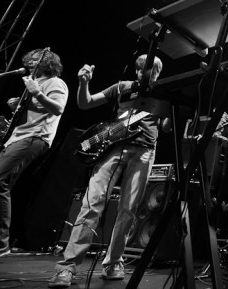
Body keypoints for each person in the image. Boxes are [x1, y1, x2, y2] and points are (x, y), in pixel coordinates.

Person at [49, 54, 171, 287]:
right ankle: (67, 266)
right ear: (137, 71)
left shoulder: (164, 92)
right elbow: (85, 103)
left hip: (145, 150)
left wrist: (176, 114)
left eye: (153, 72)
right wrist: (84, 82)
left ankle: (114, 262)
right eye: (143, 70)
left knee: (128, 210)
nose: (147, 75)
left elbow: (165, 128)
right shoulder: (123, 87)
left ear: (158, 74)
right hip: (113, 148)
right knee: (92, 203)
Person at [0, 48, 68, 263]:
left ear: (47, 63)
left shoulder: (55, 83)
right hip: (16, 138)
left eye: (35, 60)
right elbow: (33, 110)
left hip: (34, 138)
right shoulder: (31, 86)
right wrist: (19, 105)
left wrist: (37, 93)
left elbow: (58, 108)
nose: (30, 63)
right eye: (29, 60)